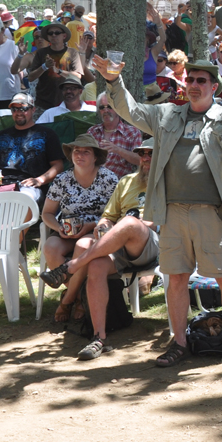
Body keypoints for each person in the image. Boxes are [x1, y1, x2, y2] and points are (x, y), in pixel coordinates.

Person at [92, 45, 222, 367]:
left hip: (212, 212)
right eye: (190, 78)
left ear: (213, 86)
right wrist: (114, 82)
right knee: (177, 278)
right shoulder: (167, 113)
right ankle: (179, 342)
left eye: (201, 80)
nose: (193, 84)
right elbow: (131, 111)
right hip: (172, 212)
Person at [41, 139, 159, 359]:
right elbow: (107, 217)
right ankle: (99, 337)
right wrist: (104, 227)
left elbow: (168, 219)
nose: (145, 159)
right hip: (118, 245)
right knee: (95, 264)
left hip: (150, 244)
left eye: (151, 154)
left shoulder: (169, 182)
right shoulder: (127, 181)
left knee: (131, 222)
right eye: (142, 154)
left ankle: (72, 266)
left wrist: (130, 225)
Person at [39, 135, 120, 323]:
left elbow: (116, 214)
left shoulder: (108, 178)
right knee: (50, 247)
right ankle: (78, 296)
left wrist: (89, 226)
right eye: (76, 151)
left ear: (95, 157)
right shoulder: (62, 180)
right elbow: (47, 214)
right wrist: (58, 227)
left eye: (86, 151)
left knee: (84, 245)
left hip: (97, 230)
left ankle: (68, 300)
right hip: (67, 230)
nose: (80, 155)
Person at [11, 20, 87, 114]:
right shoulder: (40, 53)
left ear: (64, 36)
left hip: (66, 104)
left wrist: (58, 71)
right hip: (43, 104)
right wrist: (44, 66)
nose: (53, 35)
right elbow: (29, 77)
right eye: (50, 33)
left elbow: (78, 76)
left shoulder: (72, 52)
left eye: (57, 33)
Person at [89, 92, 145, 178]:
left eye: (110, 107)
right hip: (94, 183)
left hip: (120, 184)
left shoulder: (132, 132)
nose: (106, 110)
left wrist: (118, 150)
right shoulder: (92, 132)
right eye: (102, 107)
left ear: (118, 109)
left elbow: (140, 160)